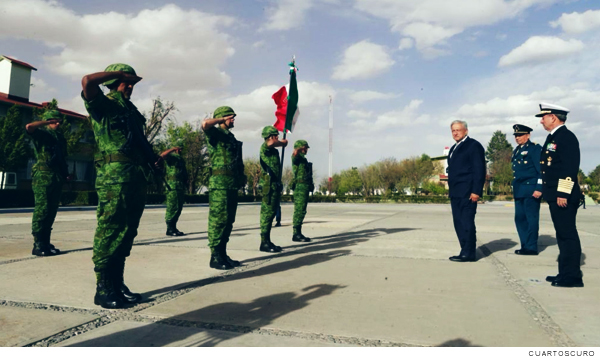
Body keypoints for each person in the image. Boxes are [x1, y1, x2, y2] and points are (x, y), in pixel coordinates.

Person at [81, 63, 154, 308]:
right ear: (114, 82)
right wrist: (117, 75)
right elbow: (88, 81)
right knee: (110, 229)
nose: (131, 86)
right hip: (114, 178)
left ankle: (116, 283)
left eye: (133, 82)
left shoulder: (131, 110)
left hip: (135, 175)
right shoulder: (104, 104)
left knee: (127, 231)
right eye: (127, 82)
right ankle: (103, 287)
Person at [537, 103, 583, 288]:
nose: (541, 120)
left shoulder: (566, 137)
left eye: (543, 117)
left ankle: (572, 277)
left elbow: (569, 168)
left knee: (567, 235)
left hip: (563, 195)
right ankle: (564, 273)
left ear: (553, 117)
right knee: (562, 236)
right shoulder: (553, 137)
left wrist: (563, 192)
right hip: (554, 195)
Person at [202, 106, 246, 270]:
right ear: (221, 118)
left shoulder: (231, 137)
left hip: (231, 184)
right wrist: (220, 119)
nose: (233, 119)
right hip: (219, 185)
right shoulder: (216, 133)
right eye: (230, 117)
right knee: (218, 220)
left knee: (228, 220)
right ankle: (215, 256)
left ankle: (222, 253)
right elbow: (205, 124)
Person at [26, 109, 70, 256]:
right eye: (53, 121)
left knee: (51, 211)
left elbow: (63, 158)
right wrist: (46, 122)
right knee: (42, 209)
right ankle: (38, 244)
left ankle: (45, 242)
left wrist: (66, 174)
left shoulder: (60, 137)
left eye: (58, 121)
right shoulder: (43, 134)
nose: (57, 123)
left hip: (56, 177)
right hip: (43, 176)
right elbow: (29, 127)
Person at [447, 120, 486, 262]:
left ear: (466, 131)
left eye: (458, 130)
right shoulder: (454, 148)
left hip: (468, 193)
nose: (455, 133)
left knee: (466, 222)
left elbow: (479, 170)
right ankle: (464, 249)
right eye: (453, 131)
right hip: (456, 193)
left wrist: (476, 191)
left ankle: (469, 253)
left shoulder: (473, 146)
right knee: (458, 222)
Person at [511, 124, 543, 255]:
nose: (517, 138)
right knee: (520, 218)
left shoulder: (535, 149)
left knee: (531, 218)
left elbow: (541, 170)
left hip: (531, 189)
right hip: (519, 189)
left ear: (528, 135)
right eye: (516, 135)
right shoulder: (517, 150)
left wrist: (539, 188)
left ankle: (531, 246)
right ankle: (525, 244)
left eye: (520, 135)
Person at [259, 126, 287, 252]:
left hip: (275, 185)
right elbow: (270, 143)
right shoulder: (265, 147)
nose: (278, 137)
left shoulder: (274, 151)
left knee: (271, 214)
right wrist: (282, 143)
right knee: (267, 214)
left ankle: (267, 241)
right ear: (270, 136)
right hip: (268, 186)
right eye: (276, 135)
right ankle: (264, 242)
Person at [161, 144, 187, 236]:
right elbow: (162, 155)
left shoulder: (180, 158)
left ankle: (173, 227)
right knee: (173, 207)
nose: (180, 150)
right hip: (172, 186)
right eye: (179, 148)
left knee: (178, 207)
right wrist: (172, 149)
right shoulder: (171, 157)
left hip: (179, 186)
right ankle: (170, 229)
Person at [290, 139, 313, 242]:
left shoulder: (304, 160)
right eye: (305, 148)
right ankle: (296, 234)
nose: (306, 150)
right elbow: (294, 156)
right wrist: (298, 149)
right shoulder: (297, 158)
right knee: (299, 210)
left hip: (305, 187)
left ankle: (298, 232)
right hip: (300, 187)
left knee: (302, 210)